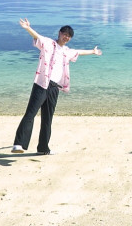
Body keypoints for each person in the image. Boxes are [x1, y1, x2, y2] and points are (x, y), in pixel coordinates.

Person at [11, 18, 101, 155]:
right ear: (59, 33)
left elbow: (79, 52)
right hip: (42, 84)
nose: (66, 37)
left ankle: (43, 148)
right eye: (65, 34)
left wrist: (93, 52)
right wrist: (27, 28)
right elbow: (37, 37)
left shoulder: (67, 51)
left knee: (48, 118)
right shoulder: (48, 43)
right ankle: (19, 144)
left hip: (54, 87)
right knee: (31, 113)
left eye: (69, 36)